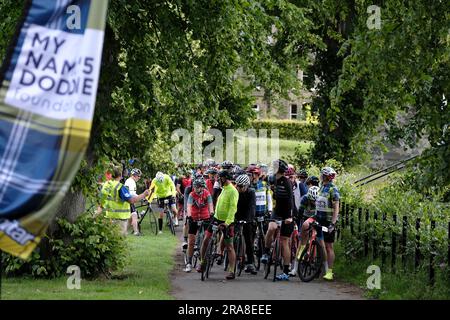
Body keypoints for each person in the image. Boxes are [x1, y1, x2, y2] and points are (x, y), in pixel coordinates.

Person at [199, 170, 238, 280]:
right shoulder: (223, 189)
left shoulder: (233, 191)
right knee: (206, 238)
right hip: (216, 218)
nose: (218, 180)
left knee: (229, 246)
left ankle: (231, 271)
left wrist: (227, 222)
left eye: (220, 178)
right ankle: (202, 262)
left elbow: (233, 208)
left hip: (227, 222)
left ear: (225, 178)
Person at [261, 159, 294, 281]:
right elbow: (262, 178)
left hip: (287, 212)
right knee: (271, 227)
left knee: (284, 241)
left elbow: (290, 200)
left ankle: (286, 271)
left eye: (274, 166)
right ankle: (265, 252)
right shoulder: (271, 178)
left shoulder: (286, 182)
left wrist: (290, 217)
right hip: (277, 210)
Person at [100, 166, 149, 235]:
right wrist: (143, 195)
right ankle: (136, 231)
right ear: (120, 175)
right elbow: (131, 200)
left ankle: (133, 230)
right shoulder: (120, 187)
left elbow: (101, 202)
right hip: (119, 218)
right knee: (118, 240)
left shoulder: (106, 185)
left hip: (108, 216)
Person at [183, 177, 214, 272]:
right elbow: (188, 205)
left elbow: (210, 205)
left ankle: (204, 259)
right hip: (194, 217)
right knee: (191, 241)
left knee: (206, 239)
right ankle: (189, 263)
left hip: (205, 217)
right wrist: (189, 216)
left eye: (197, 187)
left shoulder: (207, 193)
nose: (195, 189)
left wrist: (212, 213)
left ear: (202, 187)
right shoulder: (192, 194)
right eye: (194, 187)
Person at [289, 185, 319, 276]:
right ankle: (295, 268)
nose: (314, 202)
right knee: (302, 243)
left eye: (315, 201)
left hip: (316, 219)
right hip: (305, 218)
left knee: (318, 239)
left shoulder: (320, 200)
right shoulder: (305, 199)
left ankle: (316, 260)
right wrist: (298, 229)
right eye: (312, 201)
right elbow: (299, 215)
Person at [316, 167, 340, 281]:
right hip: (319, 220)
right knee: (319, 244)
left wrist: (333, 223)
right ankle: (320, 267)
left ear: (325, 176)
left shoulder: (333, 189)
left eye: (321, 175)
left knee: (328, 246)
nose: (320, 176)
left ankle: (330, 272)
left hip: (328, 221)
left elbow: (336, 207)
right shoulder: (321, 187)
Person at [234, 174, 257, 275]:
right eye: (237, 186)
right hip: (237, 214)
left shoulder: (251, 192)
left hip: (248, 216)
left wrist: (249, 220)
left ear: (247, 186)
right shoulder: (235, 191)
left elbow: (252, 207)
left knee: (249, 239)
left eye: (241, 186)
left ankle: (251, 262)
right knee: (234, 236)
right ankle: (235, 258)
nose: (238, 188)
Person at [124, 168, 144, 236]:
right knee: (134, 215)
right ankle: (136, 232)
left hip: (128, 200)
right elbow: (132, 194)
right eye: (138, 176)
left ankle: (124, 231)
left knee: (130, 218)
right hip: (129, 200)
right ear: (134, 175)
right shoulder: (131, 182)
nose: (139, 178)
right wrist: (141, 197)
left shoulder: (129, 181)